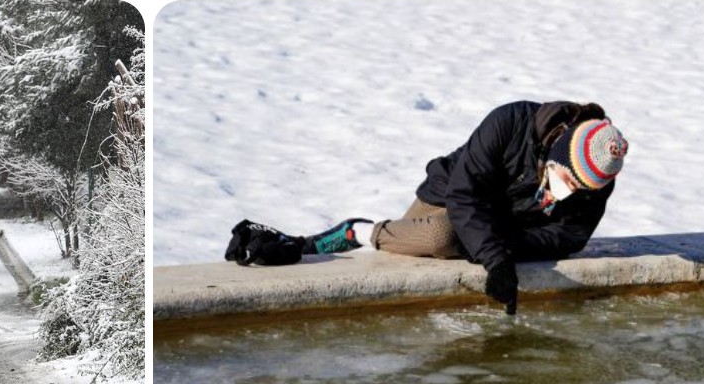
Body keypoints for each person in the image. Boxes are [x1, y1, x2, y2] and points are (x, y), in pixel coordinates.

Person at [228, 100, 628, 315]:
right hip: (447, 199)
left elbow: (568, 236)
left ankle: (403, 238)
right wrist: (493, 254)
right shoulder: (510, 122)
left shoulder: (597, 176)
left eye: (582, 189)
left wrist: (502, 249)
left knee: (458, 242)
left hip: (501, 227)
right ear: (557, 150)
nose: (570, 192)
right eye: (568, 180)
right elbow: (465, 195)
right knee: (442, 236)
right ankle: (358, 232)